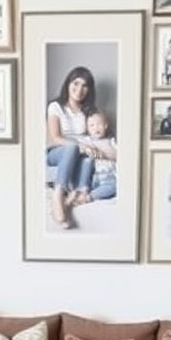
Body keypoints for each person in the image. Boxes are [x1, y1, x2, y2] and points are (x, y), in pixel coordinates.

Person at [46, 64, 96, 228]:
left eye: (84, 86)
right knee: (72, 147)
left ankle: (74, 197)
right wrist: (79, 145)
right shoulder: (55, 107)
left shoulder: (88, 111)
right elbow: (55, 138)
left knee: (89, 156)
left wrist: (88, 148)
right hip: (58, 152)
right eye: (75, 83)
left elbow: (93, 135)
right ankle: (58, 194)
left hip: (81, 152)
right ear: (68, 84)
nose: (79, 89)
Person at [72, 108, 117, 203]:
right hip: (91, 177)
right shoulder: (87, 140)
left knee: (115, 186)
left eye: (99, 124)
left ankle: (90, 196)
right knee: (86, 161)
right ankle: (82, 189)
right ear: (87, 129)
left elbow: (118, 155)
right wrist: (89, 149)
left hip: (108, 177)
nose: (96, 128)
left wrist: (104, 154)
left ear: (105, 126)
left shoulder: (111, 141)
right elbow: (78, 148)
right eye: (92, 126)